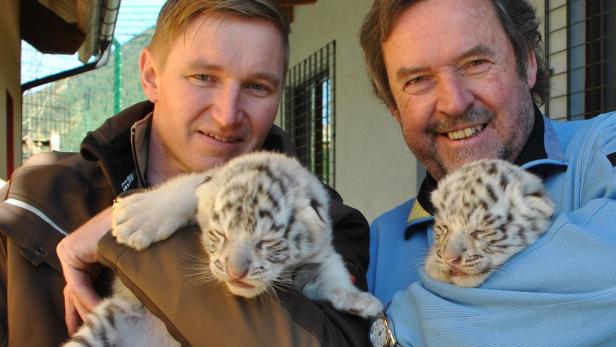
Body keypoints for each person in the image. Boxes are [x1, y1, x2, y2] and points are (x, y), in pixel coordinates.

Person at [0, 1, 372, 346]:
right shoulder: (37, 198)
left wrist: (125, 228)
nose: (228, 115)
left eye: (257, 86)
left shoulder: (326, 220)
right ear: (151, 77)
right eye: (204, 77)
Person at [360, 0, 616, 346]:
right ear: (394, 107)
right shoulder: (378, 243)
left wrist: (393, 328)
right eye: (418, 80)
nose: (454, 101)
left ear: (527, 62)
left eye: (475, 63)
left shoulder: (602, 145)